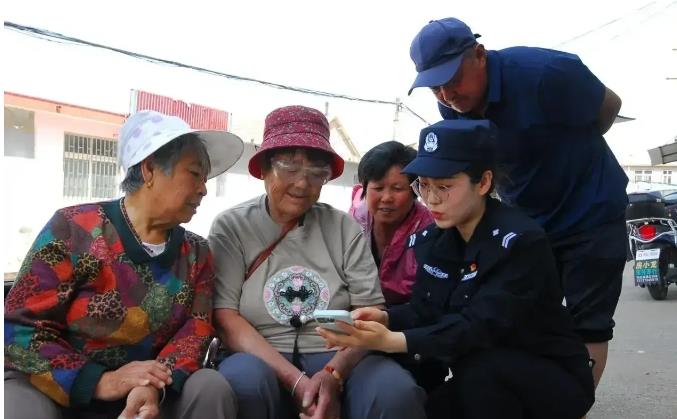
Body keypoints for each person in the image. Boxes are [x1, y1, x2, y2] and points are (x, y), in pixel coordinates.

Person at [318, 119, 596, 419]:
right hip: (477, 373)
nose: (432, 199)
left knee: (481, 372)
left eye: (444, 186)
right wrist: (385, 318)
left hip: (546, 377)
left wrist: (390, 340)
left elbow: (479, 327)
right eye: (424, 185)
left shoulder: (519, 242)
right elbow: (426, 309)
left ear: (484, 183)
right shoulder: (436, 239)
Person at [407, 17, 628, 387]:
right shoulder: (454, 106)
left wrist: (569, 156)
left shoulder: (547, 74)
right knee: (524, 318)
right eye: (435, 88)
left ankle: (572, 406)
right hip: (527, 224)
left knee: (587, 325)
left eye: (452, 79)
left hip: (590, 212)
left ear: (479, 55)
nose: (446, 95)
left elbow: (608, 107)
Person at [4, 110, 244, 419]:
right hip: (64, 388)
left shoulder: (196, 252)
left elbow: (195, 330)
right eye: (195, 174)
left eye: (205, 179)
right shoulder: (73, 229)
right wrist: (101, 381)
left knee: (210, 386)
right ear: (150, 169)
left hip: (153, 390)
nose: (203, 189)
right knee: (18, 405)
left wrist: (151, 386)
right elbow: (18, 329)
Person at [209, 105, 425, 419]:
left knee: (395, 391)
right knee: (242, 382)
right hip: (259, 353)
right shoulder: (232, 226)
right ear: (264, 168)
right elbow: (225, 317)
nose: (302, 184)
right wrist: (296, 381)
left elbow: (371, 313)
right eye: (289, 168)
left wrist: (333, 374)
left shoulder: (344, 227)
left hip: (336, 353)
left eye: (315, 172)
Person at [348, 141, 433, 306]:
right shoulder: (352, 221)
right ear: (365, 188)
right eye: (378, 188)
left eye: (398, 189)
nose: (386, 198)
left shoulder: (431, 231)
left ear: (415, 191)